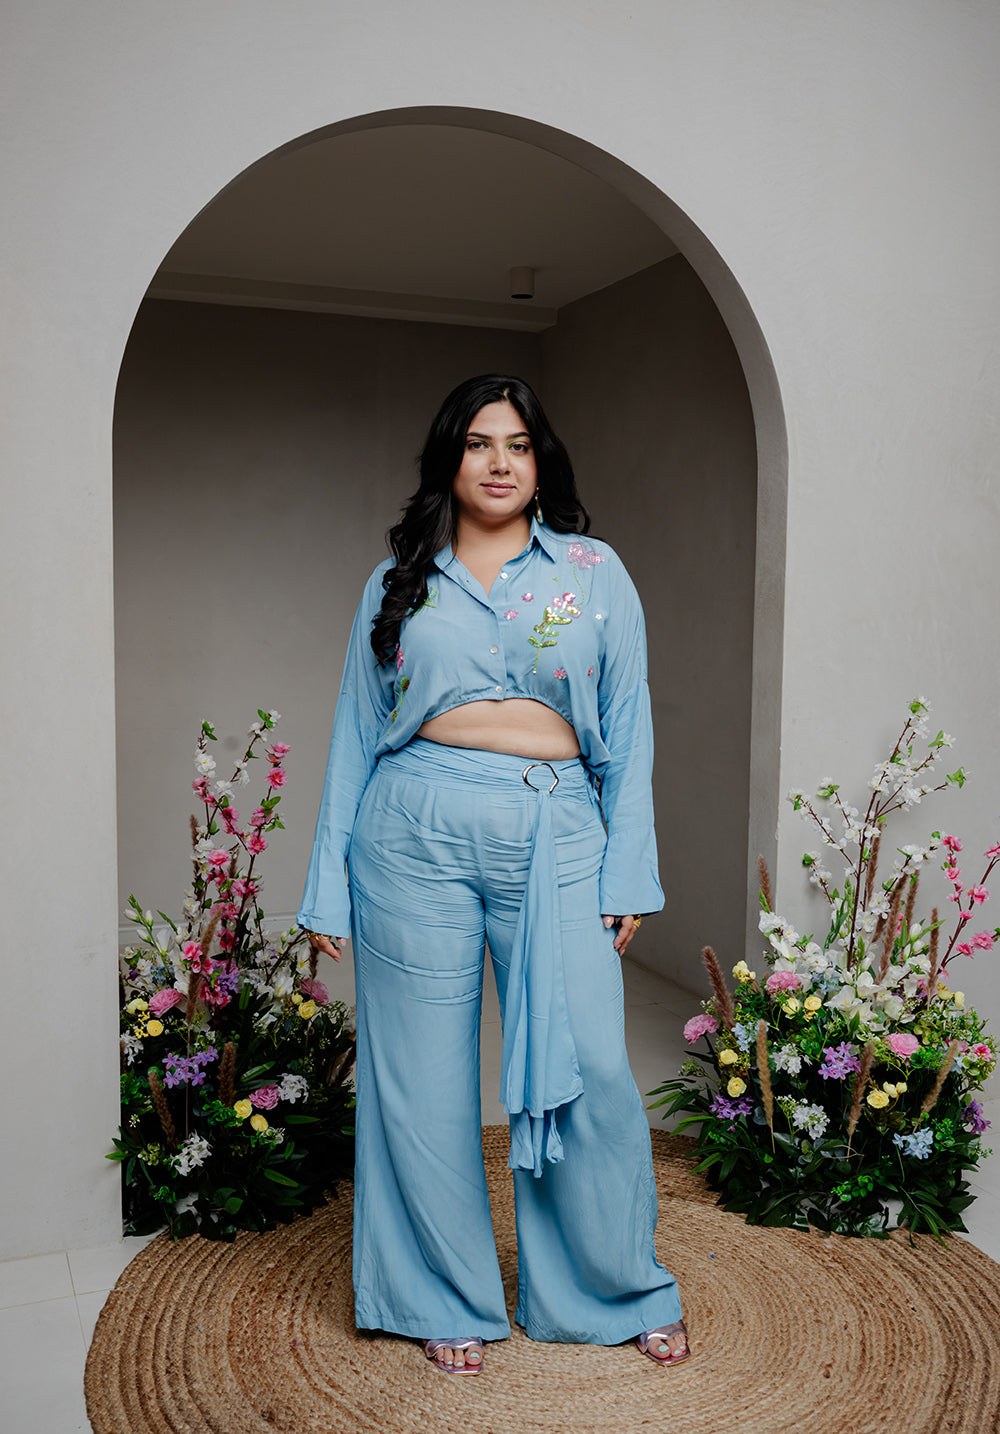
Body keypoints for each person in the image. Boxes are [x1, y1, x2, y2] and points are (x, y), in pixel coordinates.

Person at [298, 374, 688, 1376]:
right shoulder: (400, 579)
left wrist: (626, 872)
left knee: (593, 1066)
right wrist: (326, 886)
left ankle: (611, 1289)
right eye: (478, 443)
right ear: (451, 460)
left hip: (556, 831)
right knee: (421, 1083)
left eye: (517, 443)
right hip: (410, 831)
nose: (500, 461)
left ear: (540, 458)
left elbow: (631, 725)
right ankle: (440, 1294)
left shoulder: (592, 573)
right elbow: (352, 732)